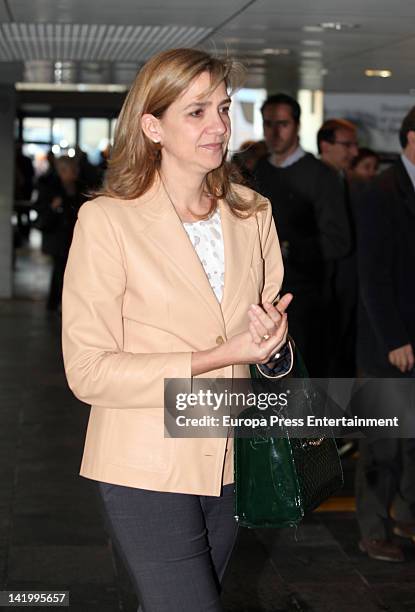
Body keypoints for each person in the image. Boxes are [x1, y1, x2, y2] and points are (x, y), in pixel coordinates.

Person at [62, 48, 293, 611]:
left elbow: (267, 343)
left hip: (232, 456)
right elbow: (88, 372)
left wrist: (271, 346)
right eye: (196, 112)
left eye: (223, 107)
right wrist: (216, 355)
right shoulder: (108, 220)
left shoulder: (252, 212)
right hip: (144, 456)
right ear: (152, 126)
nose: (218, 125)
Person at [355, 106, 415, 562]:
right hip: (388, 344)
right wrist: (393, 339)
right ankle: (374, 530)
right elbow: (372, 275)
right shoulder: (381, 191)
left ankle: (407, 518)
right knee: (384, 443)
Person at [254, 94, 351, 376]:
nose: (274, 132)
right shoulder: (261, 168)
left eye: (282, 124)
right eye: (268, 123)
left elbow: (339, 241)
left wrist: (288, 248)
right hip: (265, 296)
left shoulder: (320, 175)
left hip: (308, 301)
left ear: (296, 125)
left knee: (306, 377)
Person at [318, 118, 359, 377]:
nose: (353, 152)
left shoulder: (347, 180)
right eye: (347, 145)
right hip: (322, 287)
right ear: (326, 145)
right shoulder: (316, 180)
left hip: (346, 286)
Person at [36, 156, 83, 311]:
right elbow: (41, 210)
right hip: (57, 236)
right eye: (72, 170)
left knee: (67, 270)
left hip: (73, 235)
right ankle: (56, 303)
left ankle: (59, 302)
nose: (75, 173)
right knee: (60, 270)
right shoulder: (49, 186)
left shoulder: (79, 186)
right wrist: (53, 207)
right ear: (62, 171)